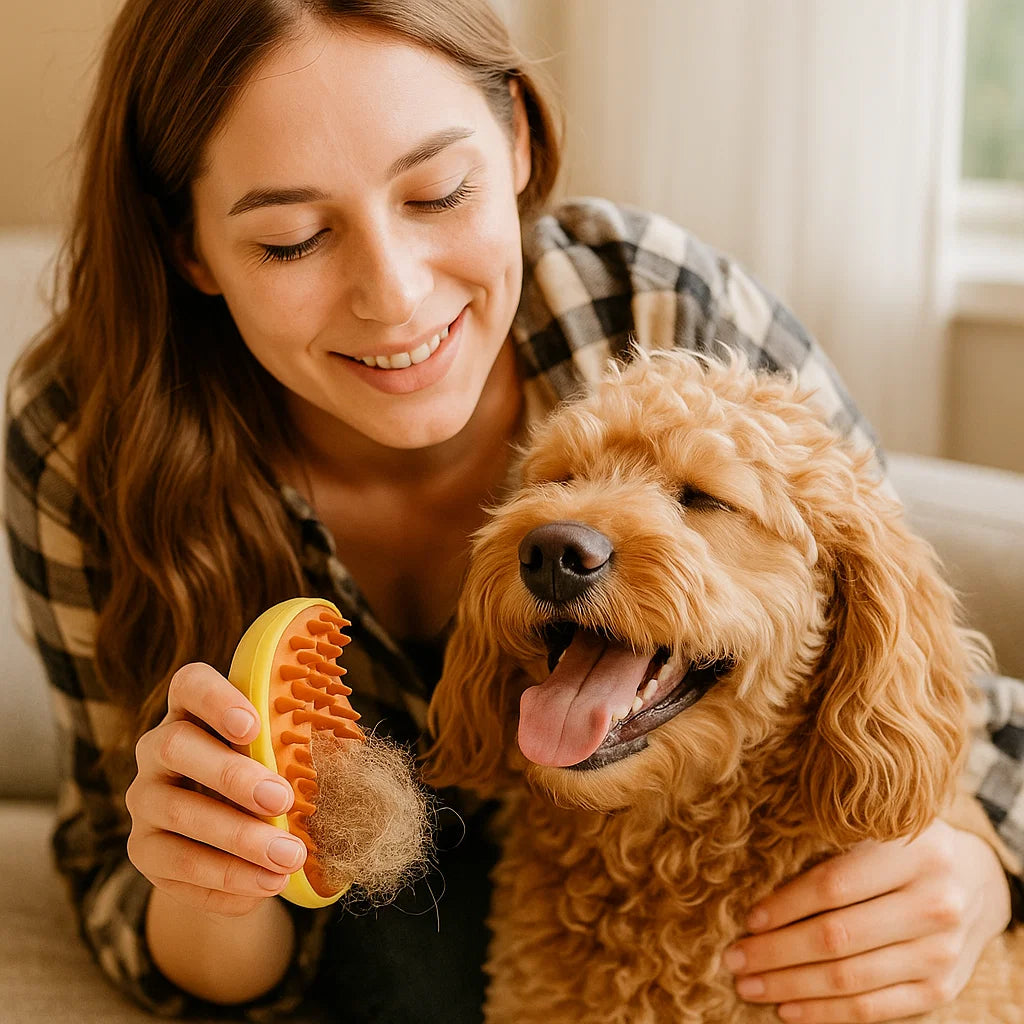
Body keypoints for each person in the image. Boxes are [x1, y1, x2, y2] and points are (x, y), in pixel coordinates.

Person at [4, 1, 1022, 1021]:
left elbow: (922, 680)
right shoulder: (85, 436)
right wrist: (206, 870)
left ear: (520, 140)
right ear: (187, 245)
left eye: (441, 192)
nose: (395, 298)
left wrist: (979, 866)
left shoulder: (657, 305)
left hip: (705, 839)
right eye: (292, 239)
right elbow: (125, 875)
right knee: (403, 971)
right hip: (404, 900)